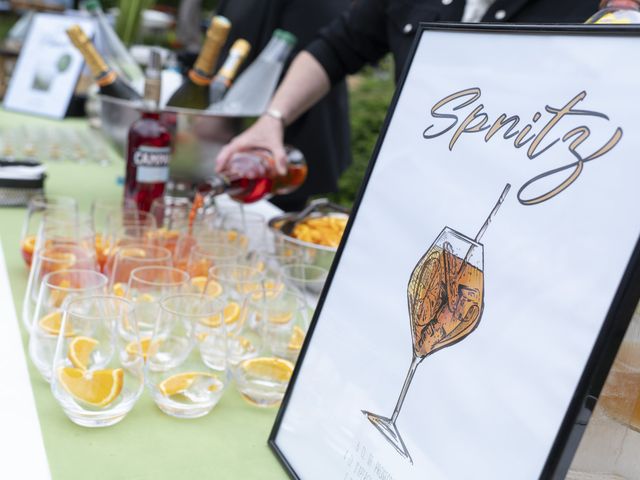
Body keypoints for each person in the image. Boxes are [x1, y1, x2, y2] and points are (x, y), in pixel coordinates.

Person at [216, 0, 600, 177]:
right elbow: (337, 47)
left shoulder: (597, 8)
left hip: (510, 208)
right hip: (401, 193)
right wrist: (273, 118)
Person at [213, 0, 352, 211]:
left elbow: (334, 48)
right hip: (236, 133)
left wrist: (272, 118)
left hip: (295, 135)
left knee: (274, 220)